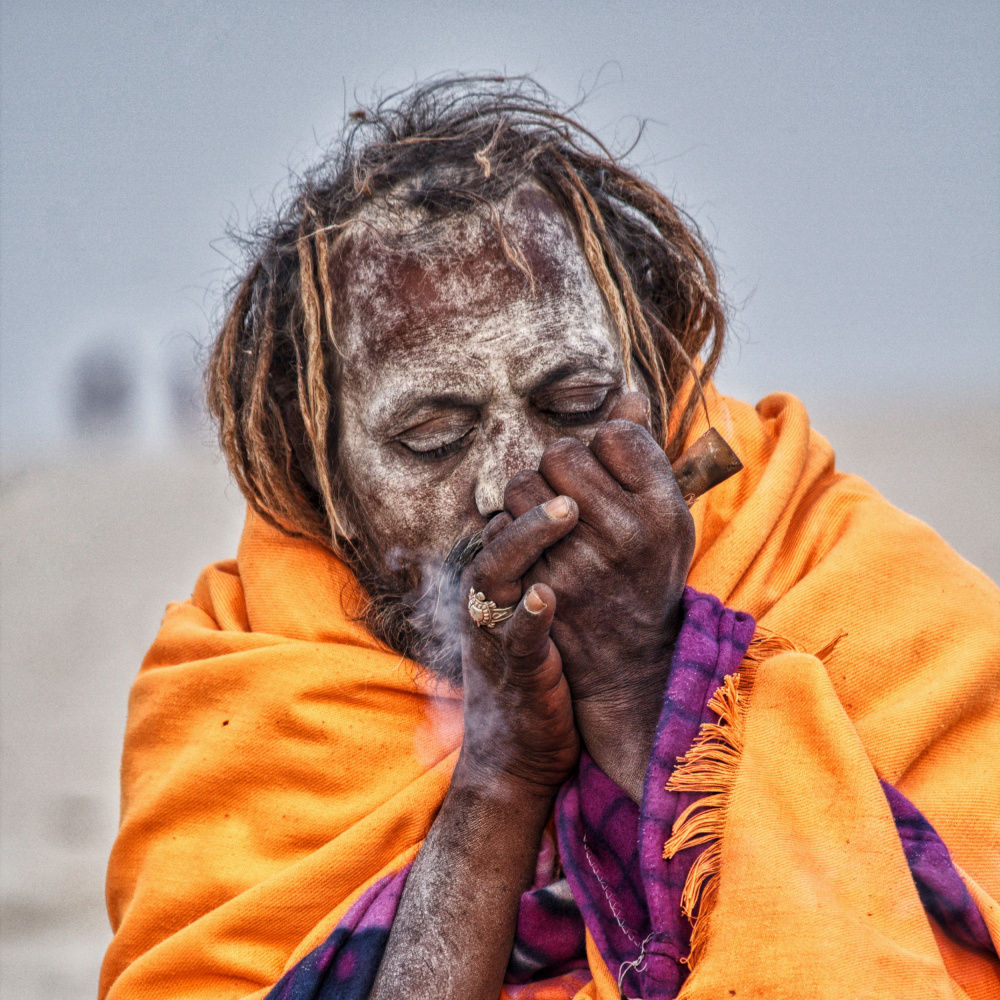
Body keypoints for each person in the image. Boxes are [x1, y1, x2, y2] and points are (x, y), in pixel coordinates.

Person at [99, 79, 1000, 1000]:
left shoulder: (835, 570)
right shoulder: (245, 699)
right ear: (321, 477)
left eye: (574, 405)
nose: (509, 480)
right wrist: (501, 772)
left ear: (657, 380)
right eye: (430, 438)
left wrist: (641, 675)